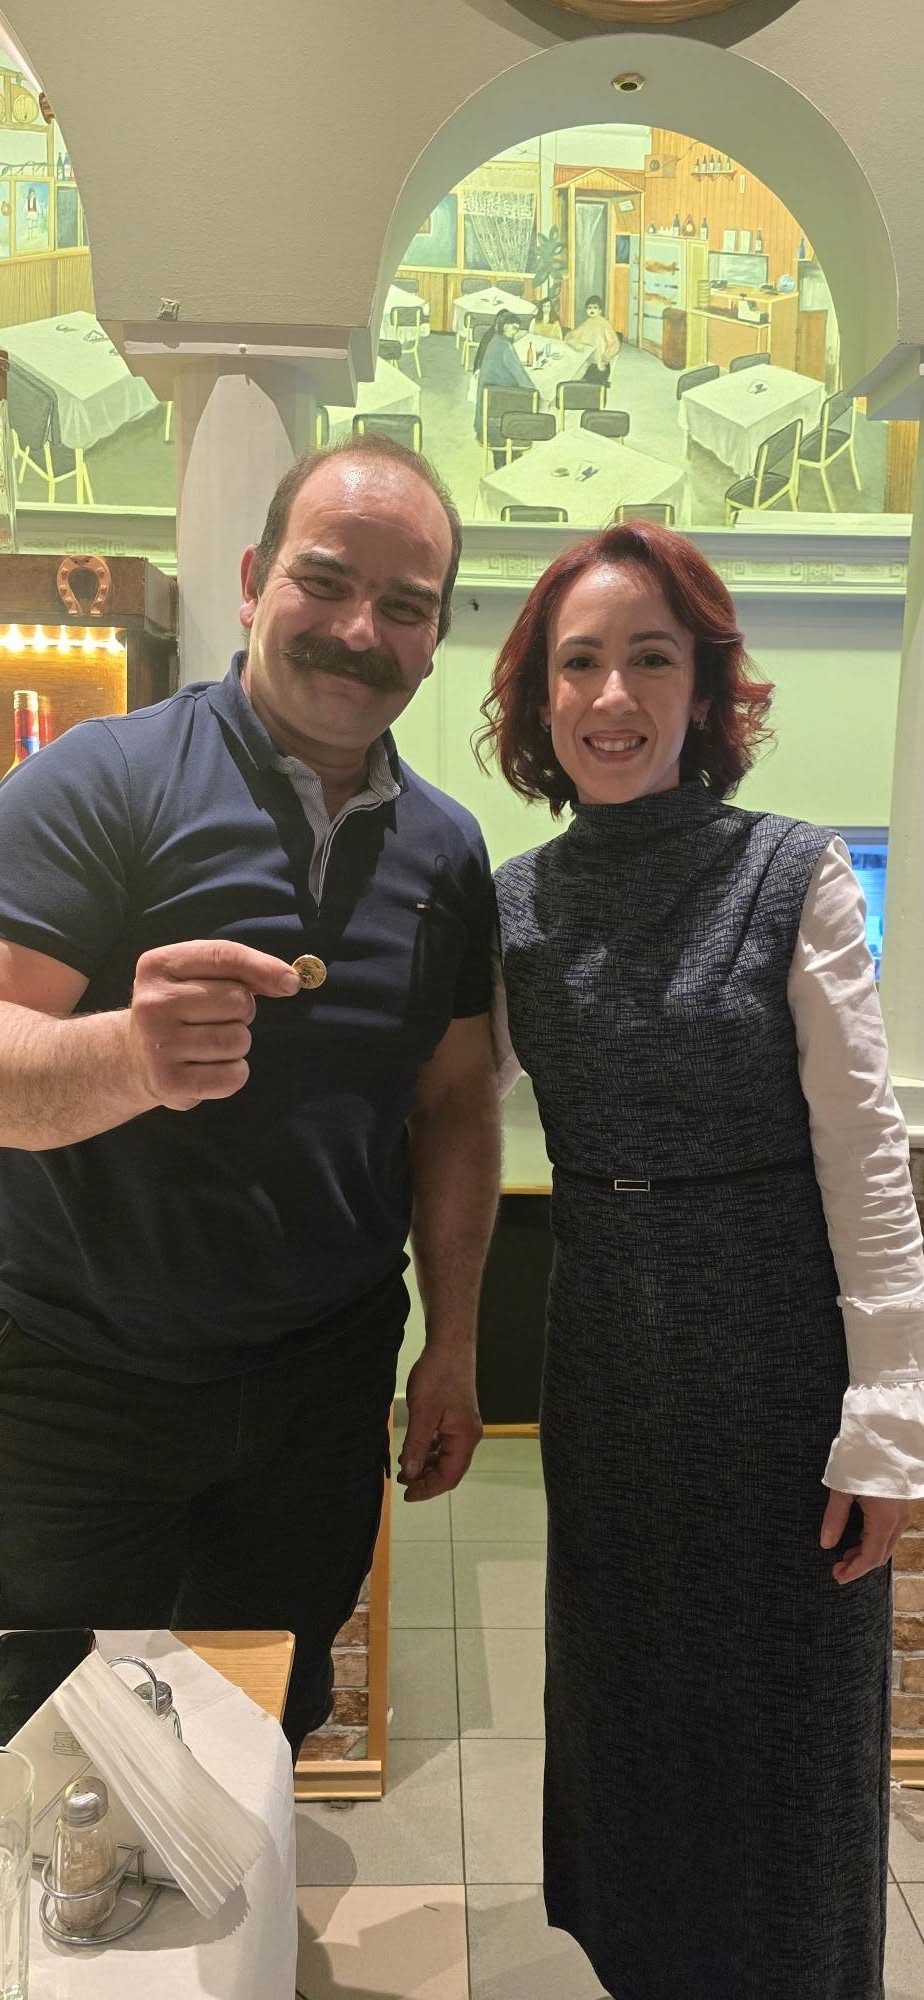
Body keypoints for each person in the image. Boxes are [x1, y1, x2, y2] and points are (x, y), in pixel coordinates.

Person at [0, 434, 500, 1760]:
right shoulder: (100, 779)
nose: (360, 630)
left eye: (404, 605)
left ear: (435, 637)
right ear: (250, 578)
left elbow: (457, 1102)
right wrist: (129, 1056)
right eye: (324, 581)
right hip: (75, 1384)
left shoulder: (448, 852)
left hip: (318, 1393)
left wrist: (452, 1346)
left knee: (252, 1730)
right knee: (51, 1751)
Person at [481, 521, 924, 1999]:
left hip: (778, 1374)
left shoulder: (793, 873)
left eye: (651, 659)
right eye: (579, 663)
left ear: (707, 688)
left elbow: (867, 1158)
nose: (613, 696)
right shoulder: (516, 905)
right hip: (606, 1364)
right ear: (540, 698)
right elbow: (444, 1106)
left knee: (788, 1745)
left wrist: (888, 1423)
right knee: (630, 1721)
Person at [473, 309, 535, 467]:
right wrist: (537, 394)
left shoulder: (495, 341)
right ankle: (512, 459)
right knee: (531, 402)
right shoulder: (505, 346)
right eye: (514, 328)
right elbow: (521, 375)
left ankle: (502, 461)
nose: (515, 332)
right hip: (502, 417)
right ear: (505, 326)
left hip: (487, 415)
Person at [565, 292, 621, 388]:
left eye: (595, 308)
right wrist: (573, 342)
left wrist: (605, 357)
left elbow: (615, 343)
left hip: (600, 364)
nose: (592, 310)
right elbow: (571, 336)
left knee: (582, 383)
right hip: (588, 362)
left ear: (600, 311)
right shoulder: (587, 323)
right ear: (586, 310)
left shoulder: (604, 324)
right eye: (589, 308)